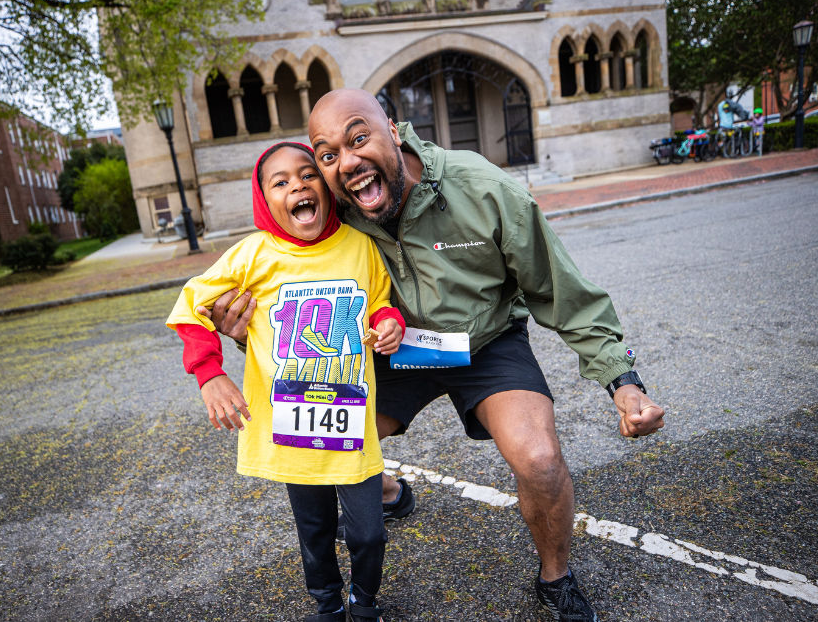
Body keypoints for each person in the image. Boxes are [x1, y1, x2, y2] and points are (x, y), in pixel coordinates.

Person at [206, 89, 666, 622]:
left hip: (486, 343)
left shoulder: (484, 188)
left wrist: (623, 381)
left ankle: (556, 579)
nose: (348, 162)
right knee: (314, 436)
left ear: (394, 131)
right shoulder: (328, 214)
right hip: (392, 350)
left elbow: (561, 291)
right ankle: (388, 490)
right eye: (327, 155)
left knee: (539, 460)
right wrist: (239, 330)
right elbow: (284, 291)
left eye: (359, 138)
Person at [167, 142, 405, 622]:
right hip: (293, 428)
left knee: (368, 533)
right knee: (314, 531)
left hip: (352, 427)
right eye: (280, 182)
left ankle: (364, 603)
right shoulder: (251, 255)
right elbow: (190, 306)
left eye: (307, 174)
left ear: (325, 186)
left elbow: (379, 299)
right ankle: (327, 605)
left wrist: (388, 321)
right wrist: (209, 374)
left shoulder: (360, 246)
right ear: (265, 201)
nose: (297, 185)